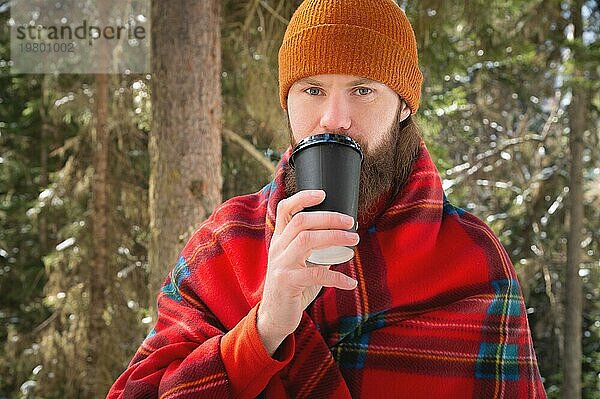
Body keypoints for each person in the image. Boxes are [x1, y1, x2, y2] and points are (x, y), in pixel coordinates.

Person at [107, 0, 547, 397]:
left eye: (362, 89)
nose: (333, 119)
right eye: (312, 90)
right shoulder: (227, 242)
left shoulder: (470, 256)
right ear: (288, 103)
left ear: (404, 105)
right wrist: (263, 330)